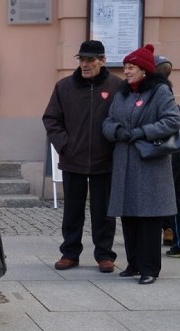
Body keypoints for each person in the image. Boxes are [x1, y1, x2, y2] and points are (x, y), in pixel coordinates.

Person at [102, 44, 180, 285]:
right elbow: (108, 121)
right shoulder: (123, 93)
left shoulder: (160, 92)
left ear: (145, 70)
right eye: (125, 67)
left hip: (150, 165)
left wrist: (141, 132)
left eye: (131, 67)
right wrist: (117, 131)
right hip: (125, 163)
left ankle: (150, 269)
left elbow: (172, 121)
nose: (126, 71)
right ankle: (133, 263)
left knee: (149, 219)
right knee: (129, 217)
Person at [43, 40, 123, 274]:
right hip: (73, 159)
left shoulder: (117, 86)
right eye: (82, 60)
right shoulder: (64, 86)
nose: (85, 64)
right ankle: (70, 253)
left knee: (104, 211)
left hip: (104, 160)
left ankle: (105, 255)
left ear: (102, 60)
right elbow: (51, 119)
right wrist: (64, 145)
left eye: (90, 60)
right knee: (73, 211)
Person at [154, 55, 180, 251]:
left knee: (170, 194)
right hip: (173, 151)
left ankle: (171, 232)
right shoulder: (166, 89)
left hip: (168, 151)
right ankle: (170, 232)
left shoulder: (159, 91)